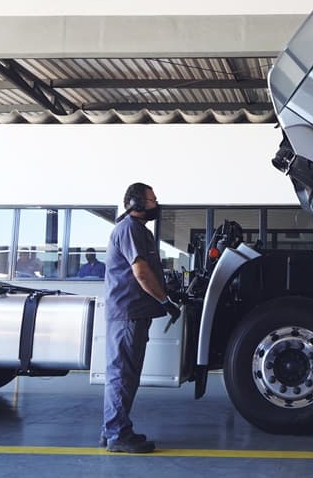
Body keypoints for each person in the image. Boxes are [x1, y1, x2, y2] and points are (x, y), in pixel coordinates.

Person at [101, 182, 180, 454]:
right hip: (128, 314)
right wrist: (164, 301)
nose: (156, 204)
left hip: (134, 314)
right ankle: (117, 435)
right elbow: (141, 273)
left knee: (125, 375)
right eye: (152, 200)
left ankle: (111, 430)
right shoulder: (129, 230)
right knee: (122, 375)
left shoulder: (139, 230)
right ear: (136, 203)